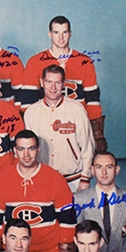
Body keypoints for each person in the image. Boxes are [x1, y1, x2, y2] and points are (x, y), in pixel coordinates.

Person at [20, 16, 106, 152]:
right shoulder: (35, 62)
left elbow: (93, 101)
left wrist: (96, 133)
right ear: (49, 34)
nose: (61, 37)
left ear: (70, 33)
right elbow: (27, 104)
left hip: (75, 125)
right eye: (56, 32)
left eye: (64, 32)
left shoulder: (84, 61)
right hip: (45, 125)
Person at [0, 130, 76, 252]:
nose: (26, 154)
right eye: (21, 149)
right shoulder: (2, 178)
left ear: (38, 150)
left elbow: (67, 220)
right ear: (14, 151)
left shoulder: (55, 178)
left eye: (31, 148)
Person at [23, 64, 95, 191]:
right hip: (42, 179)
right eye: (49, 82)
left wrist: (85, 178)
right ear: (42, 82)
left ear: (63, 84)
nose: (53, 87)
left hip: (74, 179)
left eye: (57, 82)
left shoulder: (76, 109)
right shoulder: (31, 112)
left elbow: (87, 147)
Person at [71, 152, 126, 252]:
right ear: (93, 170)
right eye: (99, 167)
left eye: (109, 167)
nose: (104, 172)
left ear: (117, 170)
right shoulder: (79, 199)